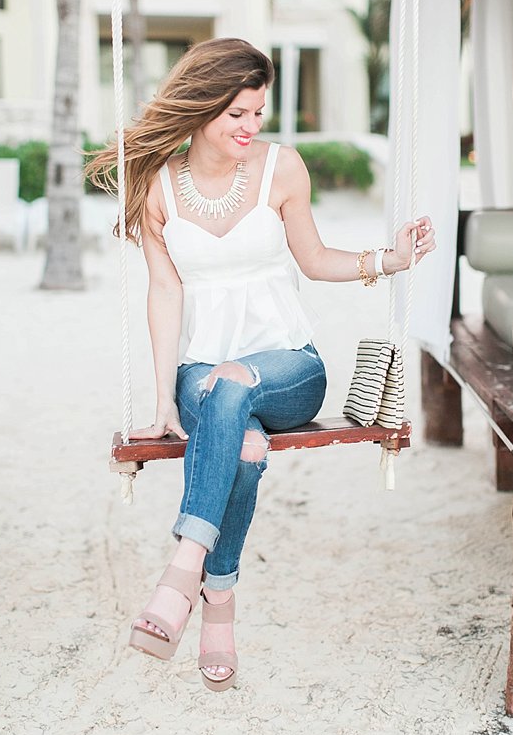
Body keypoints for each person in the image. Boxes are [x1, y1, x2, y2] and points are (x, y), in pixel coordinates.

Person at [88, 38, 436, 692]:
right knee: (239, 435)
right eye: (237, 114)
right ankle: (218, 602)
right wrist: (164, 400)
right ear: (201, 109)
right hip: (203, 378)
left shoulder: (282, 169)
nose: (251, 127)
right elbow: (164, 293)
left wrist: (385, 261)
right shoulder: (157, 188)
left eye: (258, 112)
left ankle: (182, 570)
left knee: (239, 378)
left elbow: (314, 258)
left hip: (289, 371)